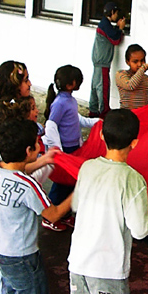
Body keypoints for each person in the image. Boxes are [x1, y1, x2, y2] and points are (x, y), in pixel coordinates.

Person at [68, 109, 148, 294]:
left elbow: (76, 206)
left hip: (77, 264)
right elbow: (140, 230)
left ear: (101, 135)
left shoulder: (87, 168)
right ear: (135, 142)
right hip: (107, 269)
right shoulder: (132, 180)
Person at [0, 119, 72, 294]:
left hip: (1, 251)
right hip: (23, 257)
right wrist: (80, 190)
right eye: (37, 144)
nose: (39, 147)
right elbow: (53, 215)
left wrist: (45, 159)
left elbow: (20, 169)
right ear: (28, 151)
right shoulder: (28, 186)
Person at [42, 65, 99, 231]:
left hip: (73, 148)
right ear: (71, 84)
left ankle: (64, 214)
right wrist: (57, 149)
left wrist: (96, 122)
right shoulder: (60, 103)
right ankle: (50, 215)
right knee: (62, 184)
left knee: (70, 182)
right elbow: (51, 125)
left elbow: (76, 119)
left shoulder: (69, 100)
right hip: (66, 150)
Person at [89, 1, 126, 117]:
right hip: (102, 63)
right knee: (103, 88)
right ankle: (104, 113)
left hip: (97, 62)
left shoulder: (104, 24)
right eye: (116, 13)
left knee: (95, 87)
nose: (117, 16)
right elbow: (115, 39)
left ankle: (93, 110)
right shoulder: (106, 25)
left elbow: (111, 33)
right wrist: (120, 28)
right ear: (112, 13)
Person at [116, 44, 148, 109]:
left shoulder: (145, 78)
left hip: (142, 115)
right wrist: (143, 68)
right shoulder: (121, 74)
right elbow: (131, 85)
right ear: (127, 62)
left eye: (142, 60)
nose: (139, 64)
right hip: (127, 115)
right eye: (135, 61)